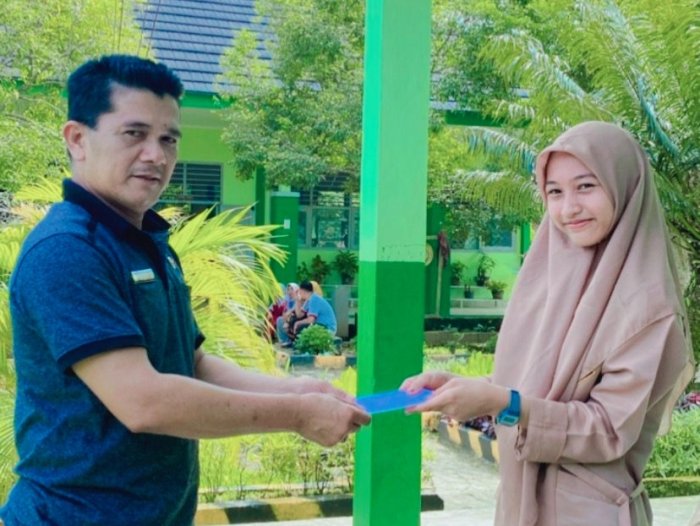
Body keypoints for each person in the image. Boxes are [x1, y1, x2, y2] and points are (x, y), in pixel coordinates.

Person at [0, 55, 370, 526]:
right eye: (134, 134)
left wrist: (297, 388)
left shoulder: (149, 244)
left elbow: (193, 363)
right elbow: (142, 401)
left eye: (168, 139)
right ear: (77, 139)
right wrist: (296, 414)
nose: (156, 156)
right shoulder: (68, 250)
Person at [402, 121, 695, 526]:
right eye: (554, 192)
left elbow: (608, 429)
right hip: (522, 502)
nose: (568, 208)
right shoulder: (553, 282)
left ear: (625, 186)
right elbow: (542, 384)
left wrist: (502, 402)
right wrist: (468, 387)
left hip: (590, 513)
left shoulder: (648, 308)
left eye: (586, 186)